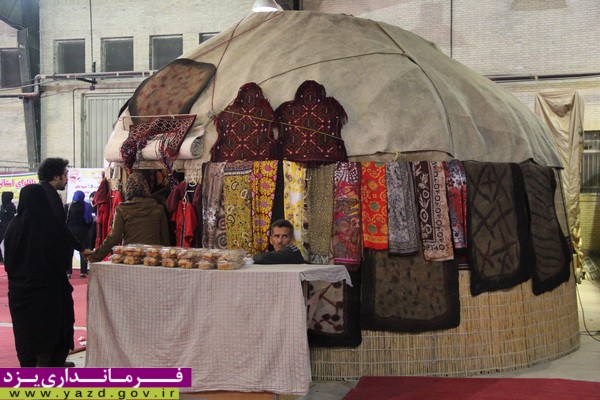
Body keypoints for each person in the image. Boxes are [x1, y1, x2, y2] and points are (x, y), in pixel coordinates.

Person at [3, 184, 83, 367]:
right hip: (50, 292)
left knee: (26, 335)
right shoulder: (50, 225)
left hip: (21, 294)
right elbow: (63, 258)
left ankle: (28, 371)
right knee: (51, 337)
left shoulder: (14, 226)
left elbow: (9, 262)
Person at [87, 172, 170, 262]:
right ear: (146, 188)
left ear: (128, 188)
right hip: (152, 258)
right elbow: (165, 238)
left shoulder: (122, 209)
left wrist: (95, 256)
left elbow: (114, 237)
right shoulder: (158, 208)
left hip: (130, 257)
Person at [38, 157, 87, 279]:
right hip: (47, 261)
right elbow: (58, 227)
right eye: (65, 175)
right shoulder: (48, 196)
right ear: (56, 177)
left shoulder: (45, 193)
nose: (67, 179)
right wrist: (81, 248)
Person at [65, 190, 93, 278]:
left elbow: (64, 219)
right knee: (83, 250)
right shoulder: (87, 206)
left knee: (69, 251)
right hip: (82, 231)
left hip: (70, 231)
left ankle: (68, 272)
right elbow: (89, 220)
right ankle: (83, 272)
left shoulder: (68, 206)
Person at [0, 191, 17, 262]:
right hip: (4, 225)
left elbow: (10, 216)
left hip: (7, 226)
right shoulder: (5, 205)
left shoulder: (8, 206)